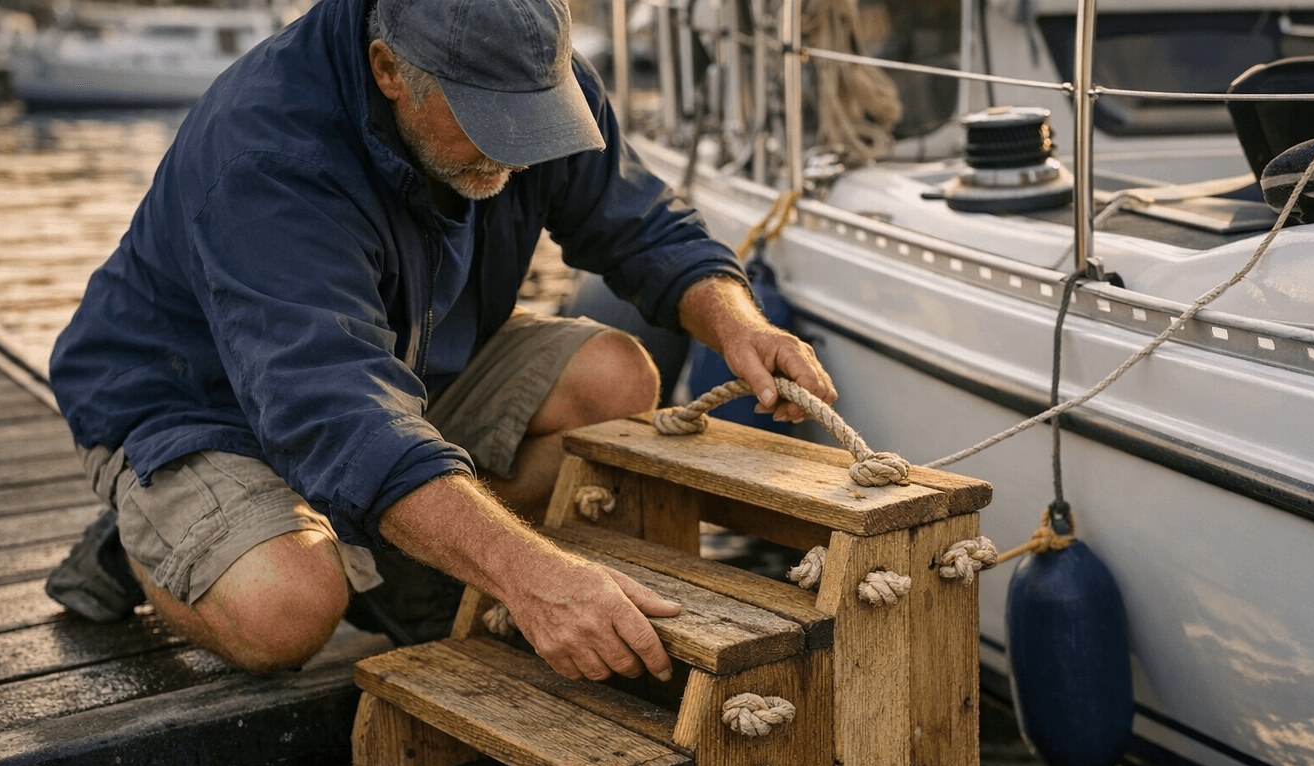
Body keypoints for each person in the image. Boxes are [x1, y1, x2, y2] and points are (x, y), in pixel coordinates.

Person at [44, 0, 836, 683]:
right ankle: (140, 540)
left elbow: (642, 225)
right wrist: (532, 577)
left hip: (399, 367)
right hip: (195, 406)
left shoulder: (532, 73)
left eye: (533, 119)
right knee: (288, 608)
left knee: (616, 379)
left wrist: (741, 324)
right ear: (388, 69)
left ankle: (390, 549)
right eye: (487, 120)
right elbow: (334, 412)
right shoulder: (269, 154)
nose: (516, 147)